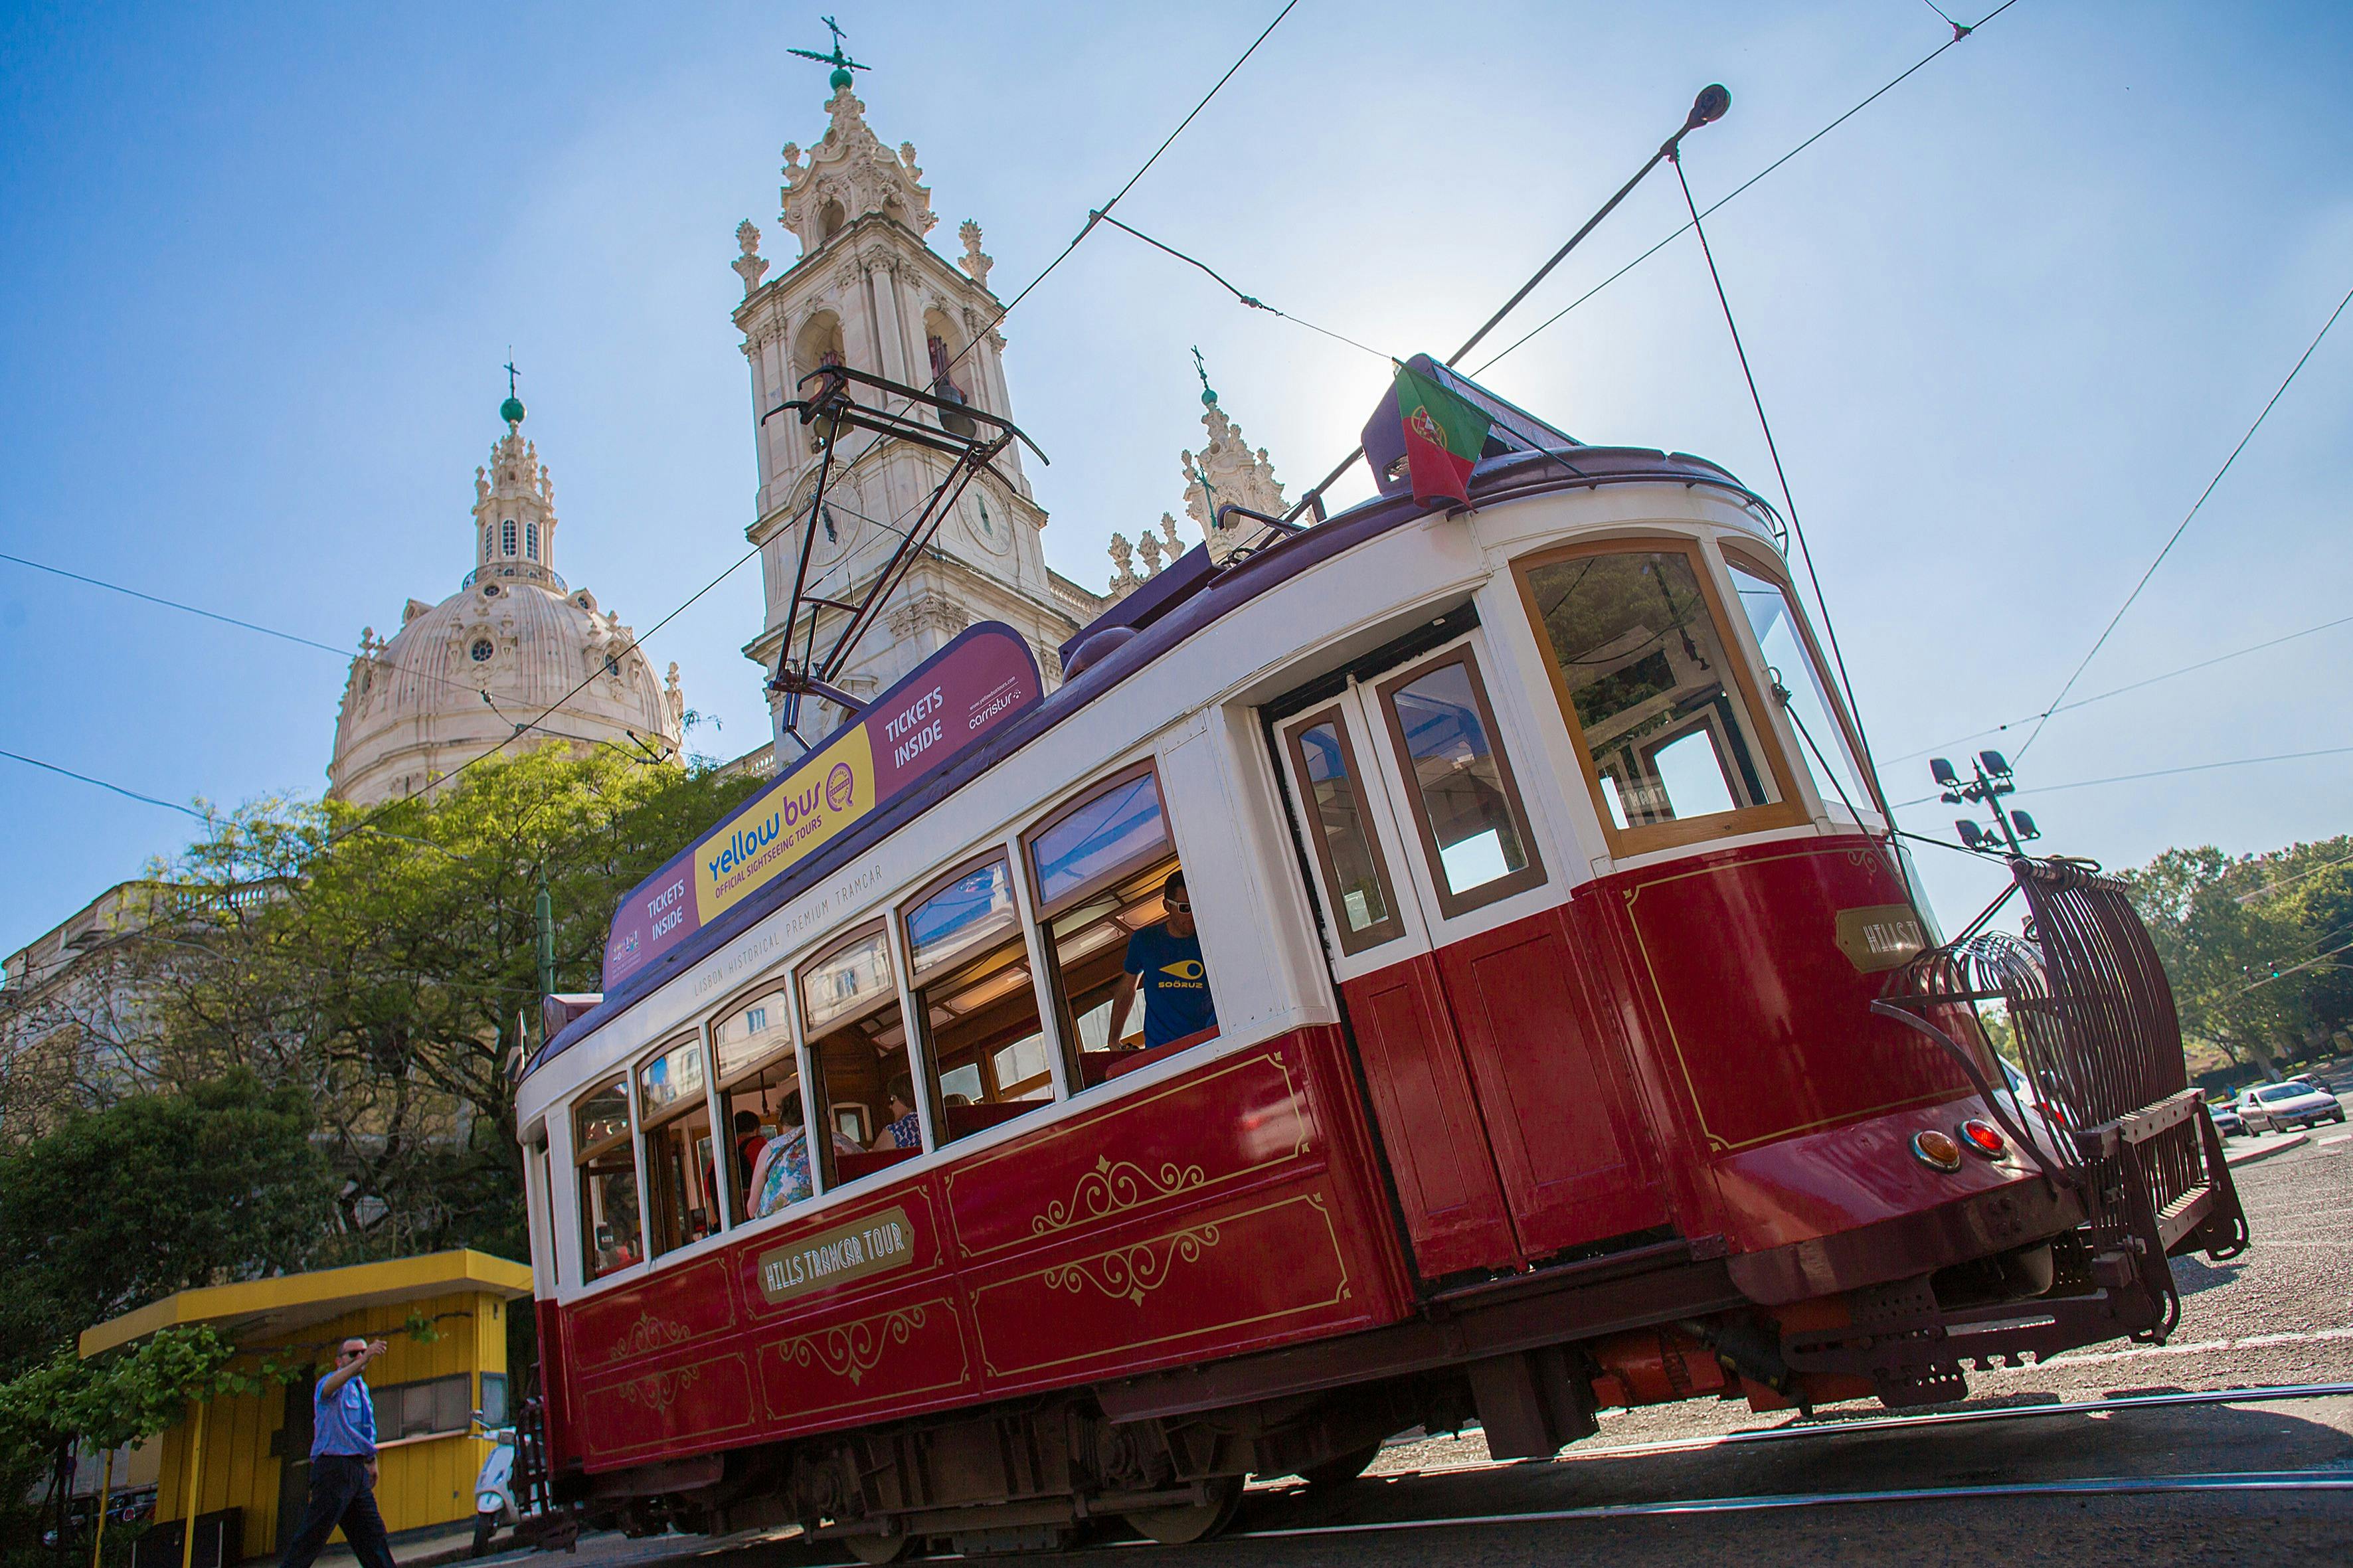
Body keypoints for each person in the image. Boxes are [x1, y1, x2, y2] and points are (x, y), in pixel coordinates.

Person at [276, 1337, 395, 1568]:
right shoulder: (331, 1383)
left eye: (363, 1352)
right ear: (339, 1361)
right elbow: (330, 1388)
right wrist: (364, 1358)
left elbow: (364, 1429)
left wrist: (371, 1460)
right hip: (333, 1469)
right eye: (353, 1354)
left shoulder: (361, 1389)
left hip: (356, 1469)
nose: (360, 1357)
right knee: (313, 1534)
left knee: (372, 1535)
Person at [1110, 870, 1217, 1053]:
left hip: (1207, 1046)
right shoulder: (1145, 941)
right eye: (1185, 908)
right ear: (1167, 906)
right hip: (1161, 1052)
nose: (1192, 915)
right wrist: (1113, 1041)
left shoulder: (1211, 939)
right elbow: (1127, 989)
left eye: (1196, 905)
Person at [745, 1093, 859, 1217]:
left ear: (784, 1119)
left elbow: (752, 1209)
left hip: (783, 1222)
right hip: (841, 1211)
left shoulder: (771, 1148)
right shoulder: (840, 1140)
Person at [869, 1077, 920, 1152]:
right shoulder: (933, 1123)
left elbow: (874, 1158)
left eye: (892, 1100)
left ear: (904, 1098)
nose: (890, 1106)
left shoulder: (896, 1131)